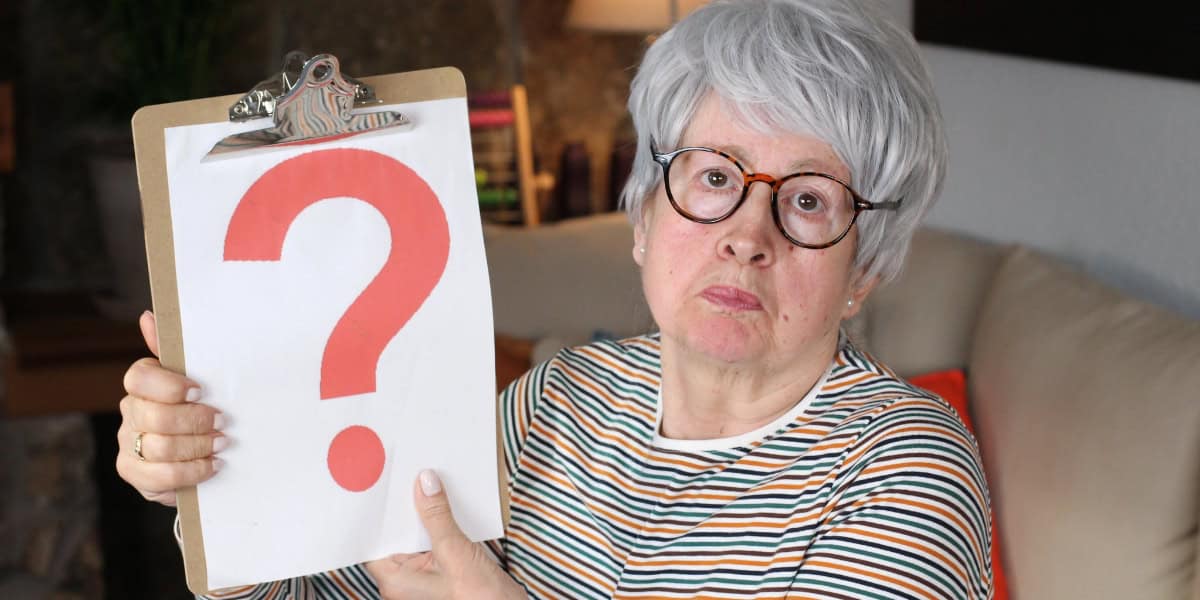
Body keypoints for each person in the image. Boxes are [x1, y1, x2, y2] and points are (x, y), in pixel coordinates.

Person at [116, 0, 994, 597]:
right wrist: (219, 480)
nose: (746, 234)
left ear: (865, 267)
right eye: (715, 175)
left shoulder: (906, 474)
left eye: (807, 200)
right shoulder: (556, 403)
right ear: (646, 214)